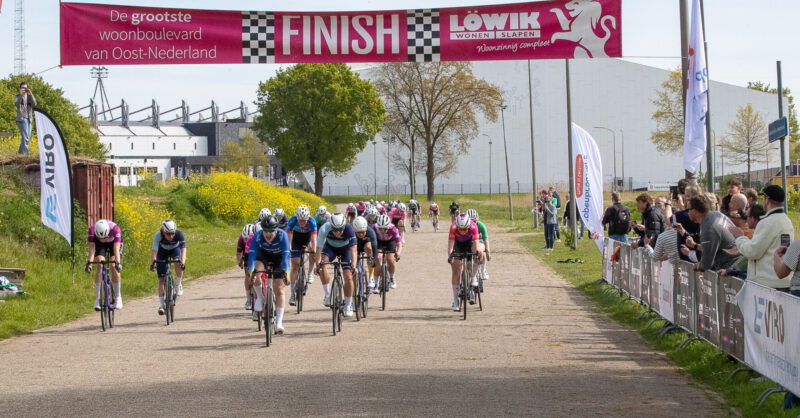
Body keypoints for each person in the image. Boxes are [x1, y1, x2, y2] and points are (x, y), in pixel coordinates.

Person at [729, 185, 794, 289]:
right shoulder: (787, 221)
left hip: (766, 284)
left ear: (767, 199)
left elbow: (753, 251)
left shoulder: (767, 222)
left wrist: (740, 238)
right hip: (783, 281)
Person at [248, 215, 291, 333]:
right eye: (265, 231)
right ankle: (260, 298)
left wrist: (286, 274)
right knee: (256, 272)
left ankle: (279, 323)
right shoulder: (257, 236)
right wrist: (252, 273)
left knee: (279, 289)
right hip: (263, 256)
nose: (267, 235)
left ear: (276, 230)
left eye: (270, 232)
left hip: (279, 259)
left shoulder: (282, 236)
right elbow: (251, 255)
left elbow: (286, 257)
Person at [315, 213, 358, 316]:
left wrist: (354, 265)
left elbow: (353, 250)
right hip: (330, 248)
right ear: (330, 225)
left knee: (348, 276)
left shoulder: (349, 228)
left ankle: (348, 305)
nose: (337, 233)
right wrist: (317, 265)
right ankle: (327, 295)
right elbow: (319, 249)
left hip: (346, 250)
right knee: (322, 265)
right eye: (334, 230)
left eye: (340, 230)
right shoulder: (324, 228)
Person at [685, 196, 739, 272]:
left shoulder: (708, 229)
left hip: (731, 268)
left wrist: (699, 265)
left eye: (688, 210)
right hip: (737, 262)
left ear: (694, 211)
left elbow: (706, 264)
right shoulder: (716, 215)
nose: (688, 213)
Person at [149, 219, 187, 315]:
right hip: (162, 252)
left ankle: (178, 284)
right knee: (161, 279)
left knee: (177, 262)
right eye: (168, 234)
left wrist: (182, 262)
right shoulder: (158, 235)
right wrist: (154, 262)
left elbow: (183, 250)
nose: (170, 236)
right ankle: (162, 305)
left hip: (175, 249)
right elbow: (154, 251)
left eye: (172, 234)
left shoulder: (179, 234)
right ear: (163, 231)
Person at [85, 219, 124, 310]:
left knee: (113, 266)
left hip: (113, 243)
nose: (102, 240)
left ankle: (118, 297)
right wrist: (89, 264)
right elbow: (92, 250)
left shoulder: (115, 229)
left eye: (104, 238)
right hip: (99, 245)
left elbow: (116, 249)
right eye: (100, 238)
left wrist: (117, 263)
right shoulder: (92, 230)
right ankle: (98, 299)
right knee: (99, 264)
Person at [447, 213, 480, 310]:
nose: (462, 231)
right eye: (460, 229)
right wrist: (450, 256)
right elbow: (451, 246)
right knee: (456, 269)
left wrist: (476, 254)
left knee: (472, 262)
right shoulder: (453, 226)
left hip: (469, 243)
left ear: (468, 225)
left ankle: (471, 286)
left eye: (465, 228)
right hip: (457, 244)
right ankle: (455, 301)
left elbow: (476, 244)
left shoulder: (473, 226)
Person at [286, 205, 318, 305]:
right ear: (297, 218)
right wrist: (289, 249)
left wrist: (314, 250)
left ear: (308, 218)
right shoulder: (292, 221)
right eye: (300, 220)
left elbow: (314, 239)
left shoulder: (312, 221)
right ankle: (292, 294)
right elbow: (289, 237)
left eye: (304, 220)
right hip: (296, 240)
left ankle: (310, 273)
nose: (302, 222)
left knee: (312, 249)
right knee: (295, 265)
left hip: (307, 239)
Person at [371, 214, 403, 291]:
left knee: (390, 259)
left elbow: (399, 244)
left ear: (388, 226)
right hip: (379, 242)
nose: (382, 231)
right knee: (378, 258)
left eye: (385, 229)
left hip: (390, 241)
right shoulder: (374, 228)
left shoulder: (393, 228)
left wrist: (398, 253)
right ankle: (375, 283)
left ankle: (392, 278)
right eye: (381, 228)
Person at [353, 216, 378, 290]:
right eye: (358, 232)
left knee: (369, 249)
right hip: (356, 246)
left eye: (363, 232)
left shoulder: (371, 232)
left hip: (366, 244)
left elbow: (374, 248)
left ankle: (371, 277)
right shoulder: (351, 231)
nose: (361, 234)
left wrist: (373, 260)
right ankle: (354, 297)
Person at [466, 209, 492, 280]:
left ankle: (483, 270)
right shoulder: (464, 226)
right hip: (468, 242)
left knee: (481, 253)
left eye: (474, 221)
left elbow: (486, 239)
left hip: (479, 241)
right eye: (470, 222)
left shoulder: (481, 226)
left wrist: (488, 252)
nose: (472, 223)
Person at [236, 223, 257, 309]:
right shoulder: (241, 239)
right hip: (246, 254)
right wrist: (241, 262)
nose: (246, 240)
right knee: (248, 275)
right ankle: (248, 300)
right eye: (245, 238)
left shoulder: (257, 237)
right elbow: (238, 253)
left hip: (256, 252)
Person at [15, 82, 37, 155]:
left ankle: (20, 153)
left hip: (29, 119)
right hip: (21, 119)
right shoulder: (17, 96)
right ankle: (25, 154)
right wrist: (21, 95)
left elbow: (35, 104)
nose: (24, 89)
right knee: (25, 137)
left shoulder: (29, 97)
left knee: (27, 137)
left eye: (25, 88)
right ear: (20, 88)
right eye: (22, 88)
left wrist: (31, 94)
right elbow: (17, 104)